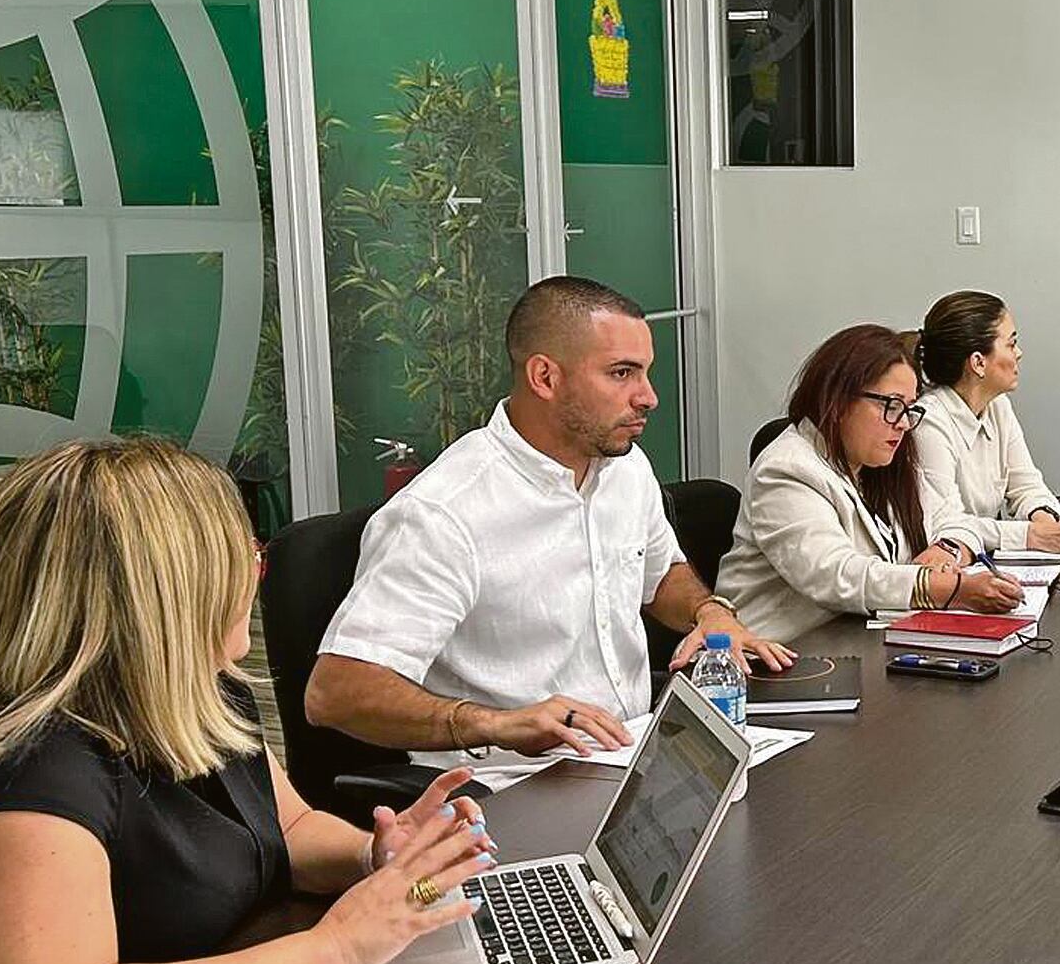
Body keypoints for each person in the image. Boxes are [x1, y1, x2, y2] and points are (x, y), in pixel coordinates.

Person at [0, 437, 497, 964]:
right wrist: (337, 945)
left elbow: (284, 831)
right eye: (250, 560)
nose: (256, 580)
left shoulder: (197, 692)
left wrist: (376, 859)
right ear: (175, 591)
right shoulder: (21, 773)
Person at [307, 278, 790, 778]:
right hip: (511, 783)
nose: (649, 397)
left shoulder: (624, 467)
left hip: (629, 754)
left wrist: (708, 612)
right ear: (544, 377)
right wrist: (493, 724)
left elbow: (659, 573)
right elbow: (336, 692)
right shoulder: (444, 513)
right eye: (622, 373)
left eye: (645, 373)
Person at [716, 323, 1025, 642]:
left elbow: (948, 517)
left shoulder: (878, 459)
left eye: (909, 408)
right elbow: (835, 574)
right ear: (837, 401)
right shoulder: (786, 469)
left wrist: (946, 549)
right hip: (775, 662)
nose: (904, 423)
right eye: (891, 406)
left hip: (857, 644)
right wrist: (948, 588)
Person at [911, 290, 1060, 554]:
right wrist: (1029, 536)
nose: (1019, 353)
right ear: (978, 363)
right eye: (1011, 343)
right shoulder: (928, 423)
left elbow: (1027, 485)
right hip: (948, 569)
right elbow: (944, 523)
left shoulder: (997, 406)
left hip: (981, 562)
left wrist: (1045, 522)